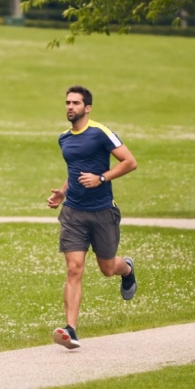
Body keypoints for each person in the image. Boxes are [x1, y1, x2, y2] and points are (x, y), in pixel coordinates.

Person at [46, 85, 137, 350]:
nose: (70, 107)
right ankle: (70, 329)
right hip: (73, 212)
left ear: (87, 108)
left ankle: (127, 268)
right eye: (67, 102)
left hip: (103, 211)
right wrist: (62, 192)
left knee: (107, 269)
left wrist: (101, 178)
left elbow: (129, 162)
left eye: (75, 103)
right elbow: (74, 171)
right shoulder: (64, 138)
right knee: (74, 268)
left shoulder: (100, 133)